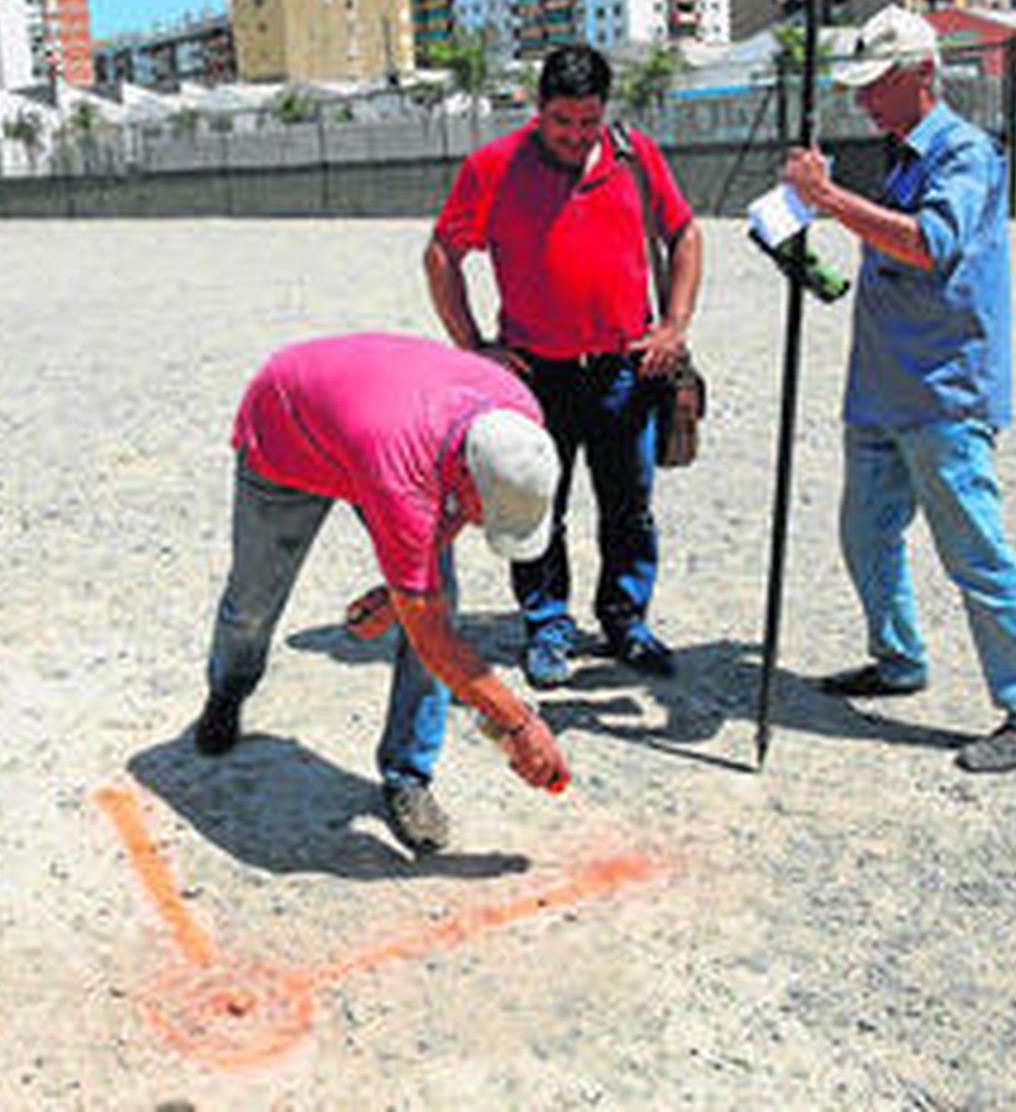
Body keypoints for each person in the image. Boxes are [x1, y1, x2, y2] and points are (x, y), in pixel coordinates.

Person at [783, 5, 1016, 774]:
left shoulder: (964, 153)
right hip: (879, 388)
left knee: (974, 551)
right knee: (864, 534)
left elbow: (930, 245)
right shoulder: (902, 153)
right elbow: (887, 251)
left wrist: (832, 202)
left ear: (922, 75)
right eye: (862, 85)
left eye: (878, 83)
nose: (865, 100)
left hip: (944, 392)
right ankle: (899, 658)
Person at [191, 332, 570, 852]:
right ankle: (227, 690)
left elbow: (450, 515)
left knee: (437, 603)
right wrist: (519, 723)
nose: (481, 526)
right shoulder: (403, 474)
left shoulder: (519, 422)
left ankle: (408, 775)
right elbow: (432, 638)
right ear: (464, 477)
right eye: (485, 514)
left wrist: (403, 591)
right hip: (286, 429)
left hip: (375, 430)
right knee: (255, 599)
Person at [425, 43, 704, 689]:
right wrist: (472, 347)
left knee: (629, 506)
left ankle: (625, 621)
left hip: (625, 370)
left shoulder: (636, 158)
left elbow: (684, 233)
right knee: (533, 504)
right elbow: (442, 253)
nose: (577, 137)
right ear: (538, 109)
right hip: (532, 377)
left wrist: (674, 324)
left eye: (588, 122)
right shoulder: (492, 166)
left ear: (605, 110)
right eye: (562, 123)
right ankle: (548, 626)